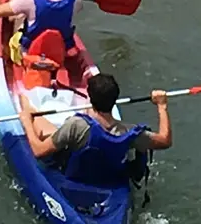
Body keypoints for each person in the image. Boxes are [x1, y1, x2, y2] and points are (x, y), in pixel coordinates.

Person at [16, 73, 172, 186]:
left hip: (74, 177)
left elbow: (38, 151)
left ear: (89, 99)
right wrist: (162, 106)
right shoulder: (130, 133)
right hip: (108, 179)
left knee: (39, 122)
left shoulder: (76, 126)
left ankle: (26, 104)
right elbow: (165, 141)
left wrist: (27, 122)